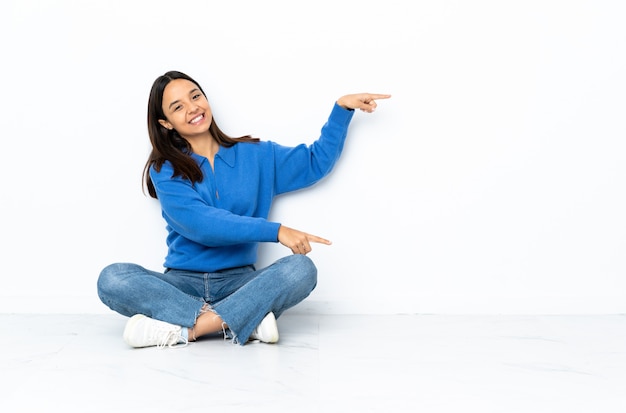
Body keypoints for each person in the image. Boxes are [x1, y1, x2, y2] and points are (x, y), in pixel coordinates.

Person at [97, 70, 390, 349]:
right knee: (112, 278)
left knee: (301, 269)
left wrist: (341, 110)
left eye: (195, 96)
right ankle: (242, 320)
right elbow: (203, 225)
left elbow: (315, 162)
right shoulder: (166, 170)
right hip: (180, 283)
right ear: (166, 123)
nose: (193, 108)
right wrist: (277, 231)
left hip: (240, 281)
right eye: (178, 106)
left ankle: (189, 328)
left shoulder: (258, 155)